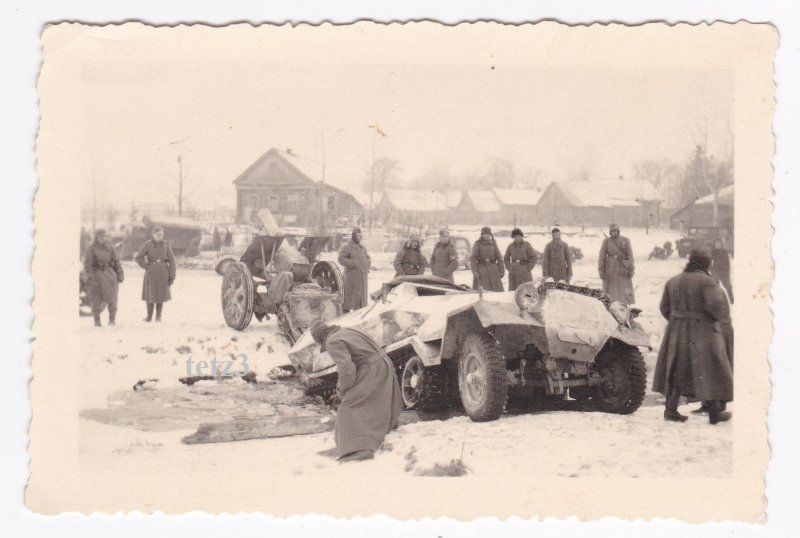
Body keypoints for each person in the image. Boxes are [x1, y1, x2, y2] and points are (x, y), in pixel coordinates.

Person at [652, 249, 733, 425]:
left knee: (677, 369)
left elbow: (664, 307)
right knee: (709, 369)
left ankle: (670, 410)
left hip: (676, 332)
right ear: (705, 264)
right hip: (703, 332)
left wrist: (677, 321)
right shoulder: (708, 282)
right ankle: (714, 413)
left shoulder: (673, 281)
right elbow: (717, 308)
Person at [309, 320, 403, 462]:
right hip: (384, 364)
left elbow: (347, 368)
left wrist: (342, 389)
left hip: (372, 369)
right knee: (374, 401)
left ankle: (358, 449)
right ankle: (351, 444)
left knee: (348, 406)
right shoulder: (348, 330)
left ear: (318, 338)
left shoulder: (332, 341)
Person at [135, 225, 176, 322]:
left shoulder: (166, 245)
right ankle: (149, 316)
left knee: (161, 294)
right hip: (151, 272)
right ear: (153, 235)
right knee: (150, 294)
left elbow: (172, 260)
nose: (160, 236)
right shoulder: (148, 244)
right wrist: (146, 266)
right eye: (158, 235)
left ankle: (158, 316)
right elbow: (138, 258)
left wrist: (172, 274)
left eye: (161, 234)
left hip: (163, 272)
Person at [83, 229, 124, 327]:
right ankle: (97, 321)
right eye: (101, 237)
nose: (103, 238)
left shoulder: (109, 246)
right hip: (97, 275)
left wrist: (120, 273)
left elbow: (116, 260)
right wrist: (90, 277)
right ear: (96, 238)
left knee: (113, 298)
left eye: (105, 236)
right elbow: (87, 265)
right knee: (96, 299)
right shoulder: (91, 248)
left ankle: (112, 320)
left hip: (110, 275)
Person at [598, 223, 635, 304]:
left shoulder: (626, 240)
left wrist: (631, 270)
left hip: (623, 269)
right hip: (610, 270)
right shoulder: (606, 242)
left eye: (615, 231)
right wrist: (601, 271)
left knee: (623, 292)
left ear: (618, 231)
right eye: (612, 231)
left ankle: (624, 306)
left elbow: (630, 256)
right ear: (610, 232)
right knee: (610, 293)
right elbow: (601, 257)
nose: (614, 233)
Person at [338, 227, 371, 313]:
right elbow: (341, 258)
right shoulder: (347, 246)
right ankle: (344, 318)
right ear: (353, 236)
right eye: (357, 236)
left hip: (362, 277)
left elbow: (367, 257)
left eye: (360, 236)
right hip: (351, 278)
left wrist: (366, 265)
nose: (359, 237)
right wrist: (353, 264)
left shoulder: (362, 247)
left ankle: (358, 317)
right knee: (348, 300)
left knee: (360, 302)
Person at [469, 226, 504, 291]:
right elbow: (472, 259)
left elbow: (499, 257)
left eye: (488, 234)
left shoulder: (493, 243)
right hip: (482, 271)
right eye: (485, 234)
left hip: (494, 270)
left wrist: (502, 270)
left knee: (497, 292)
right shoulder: (478, 244)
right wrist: (475, 271)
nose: (487, 236)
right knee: (483, 291)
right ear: (482, 235)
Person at [710, 239, 733, 304]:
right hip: (716, 272)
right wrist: (711, 269)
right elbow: (709, 262)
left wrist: (727, 271)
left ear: (721, 244)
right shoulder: (712, 252)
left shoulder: (724, 252)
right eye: (716, 244)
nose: (718, 245)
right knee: (716, 286)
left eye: (719, 244)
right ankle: (717, 302)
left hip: (724, 272)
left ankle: (732, 300)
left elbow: (727, 263)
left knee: (728, 286)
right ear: (714, 245)